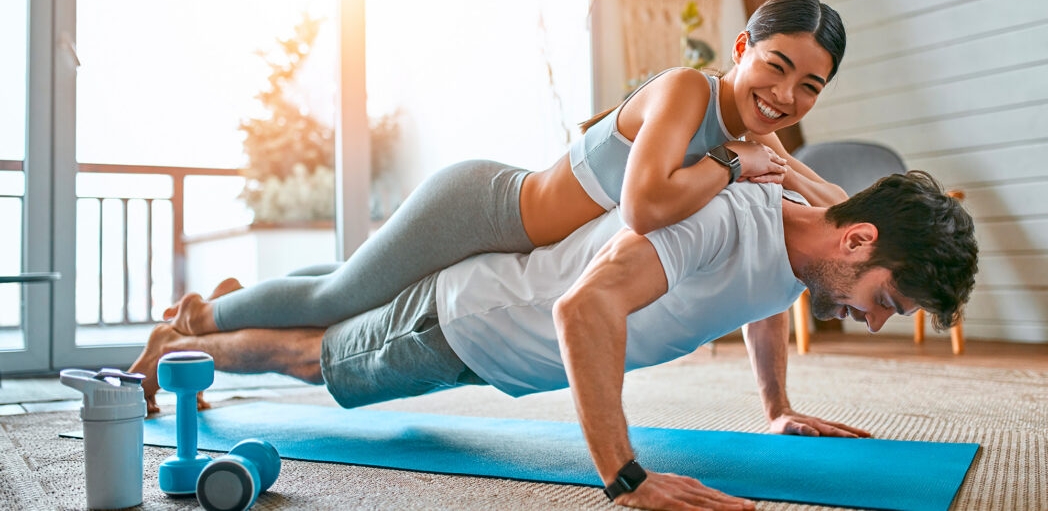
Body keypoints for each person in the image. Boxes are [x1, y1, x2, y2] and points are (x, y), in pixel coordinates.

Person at [130, 171, 978, 511]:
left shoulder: (799, 252)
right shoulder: (722, 215)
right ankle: (184, 345)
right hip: (469, 323)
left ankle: (231, 309)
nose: (873, 319)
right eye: (885, 300)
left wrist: (777, 407)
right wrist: (626, 477)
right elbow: (584, 312)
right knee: (311, 358)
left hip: (487, 327)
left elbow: (761, 301)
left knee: (329, 321)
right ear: (858, 242)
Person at [157, 0, 848, 340]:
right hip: (481, 209)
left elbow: (830, 199)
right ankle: (199, 318)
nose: (786, 96)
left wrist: (868, 219)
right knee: (338, 302)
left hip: (509, 233)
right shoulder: (689, 91)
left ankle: (239, 293)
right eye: (776, 66)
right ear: (741, 49)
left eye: (811, 87)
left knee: (359, 276)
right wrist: (733, 163)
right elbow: (644, 207)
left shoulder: (755, 133)